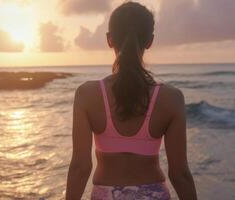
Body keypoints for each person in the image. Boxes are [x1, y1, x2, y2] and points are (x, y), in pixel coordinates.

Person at [65, 2, 197, 200]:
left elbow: (80, 168)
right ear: (150, 41)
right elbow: (180, 175)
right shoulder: (172, 98)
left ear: (109, 40)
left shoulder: (87, 95)